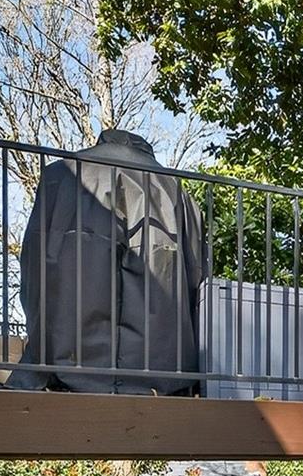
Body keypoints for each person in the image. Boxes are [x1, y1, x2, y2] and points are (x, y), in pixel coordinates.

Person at [11, 129, 208, 394]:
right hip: (160, 379)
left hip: (62, 373)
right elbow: (197, 279)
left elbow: (34, 265)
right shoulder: (176, 192)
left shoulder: (61, 175)